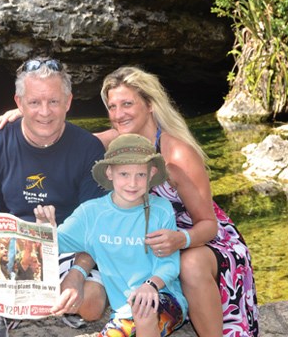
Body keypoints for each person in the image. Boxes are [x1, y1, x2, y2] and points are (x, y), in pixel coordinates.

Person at [0, 66, 260, 336]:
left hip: (200, 238)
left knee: (189, 263)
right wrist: (29, 116)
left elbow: (208, 225)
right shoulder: (118, 142)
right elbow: (59, 140)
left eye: (127, 104)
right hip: (148, 238)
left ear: (150, 104)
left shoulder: (178, 154)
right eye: (112, 106)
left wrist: (181, 240)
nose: (119, 114)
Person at [0, 57, 107, 337]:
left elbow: (98, 225)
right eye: (34, 102)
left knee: (92, 305)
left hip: (67, 248)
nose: (45, 112)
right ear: (19, 103)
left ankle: (43, 300)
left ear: (68, 102)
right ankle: (2, 306)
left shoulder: (88, 148)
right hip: (9, 251)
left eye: (54, 102)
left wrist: (78, 275)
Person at [34, 133, 187, 337]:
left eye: (140, 175)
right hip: (123, 313)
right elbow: (51, 247)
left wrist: (150, 285)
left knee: (144, 311)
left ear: (151, 173)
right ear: (109, 172)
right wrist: (45, 229)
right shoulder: (90, 213)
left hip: (163, 298)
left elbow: (170, 264)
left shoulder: (161, 209)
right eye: (124, 174)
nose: (132, 183)